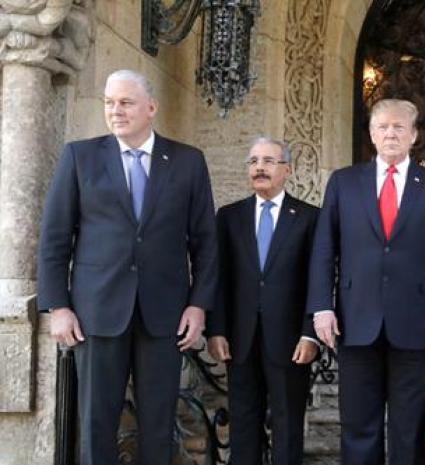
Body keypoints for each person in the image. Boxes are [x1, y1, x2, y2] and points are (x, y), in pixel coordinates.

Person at [37, 69, 218, 465]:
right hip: (95, 313)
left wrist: (198, 305)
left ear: (151, 108)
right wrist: (58, 306)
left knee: (159, 423)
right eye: (109, 102)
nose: (115, 110)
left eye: (125, 102)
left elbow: (206, 243)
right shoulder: (79, 157)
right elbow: (54, 238)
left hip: (165, 314)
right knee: (96, 422)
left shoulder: (188, 162)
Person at [307, 98, 425, 465]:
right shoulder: (344, 182)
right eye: (383, 127)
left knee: (410, 428)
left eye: (399, 127)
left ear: (413, 135)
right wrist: (321, 308)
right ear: (373, 134)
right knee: (359, 425)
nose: (390, 133)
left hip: (418, 324)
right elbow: (324, 249)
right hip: (354, 319)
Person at [207, 137, 319, 465]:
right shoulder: (229, 216)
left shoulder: (310, 217)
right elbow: (219, 277)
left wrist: (310, 332)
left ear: (287, 169)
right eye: (254, 161)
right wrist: (216, 330)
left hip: (291, 341)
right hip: (240, 339)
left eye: (269, 161)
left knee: (287, 425)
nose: (259, 168)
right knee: (243, 424)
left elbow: (319, 278)